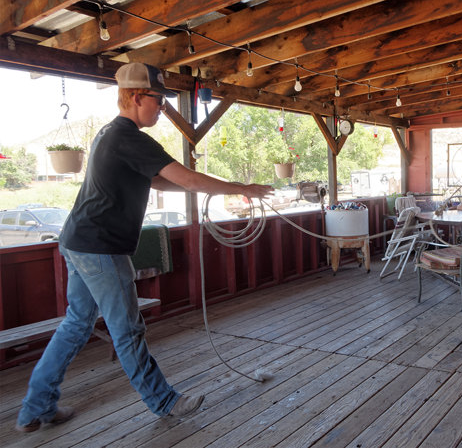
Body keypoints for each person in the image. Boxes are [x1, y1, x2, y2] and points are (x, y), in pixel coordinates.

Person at [15, 62, 273, 432]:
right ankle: (165, 401)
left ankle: (34, 408)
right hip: (100, 248)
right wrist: (242, 188)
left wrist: (189, 185)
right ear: (138, 97)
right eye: (159, 100)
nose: (163, 108)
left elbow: (160, 180)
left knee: (75, 325)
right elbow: (185, 176)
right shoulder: (129, 136)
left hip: (78, 241)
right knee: (127, 329)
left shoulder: (112, 134)